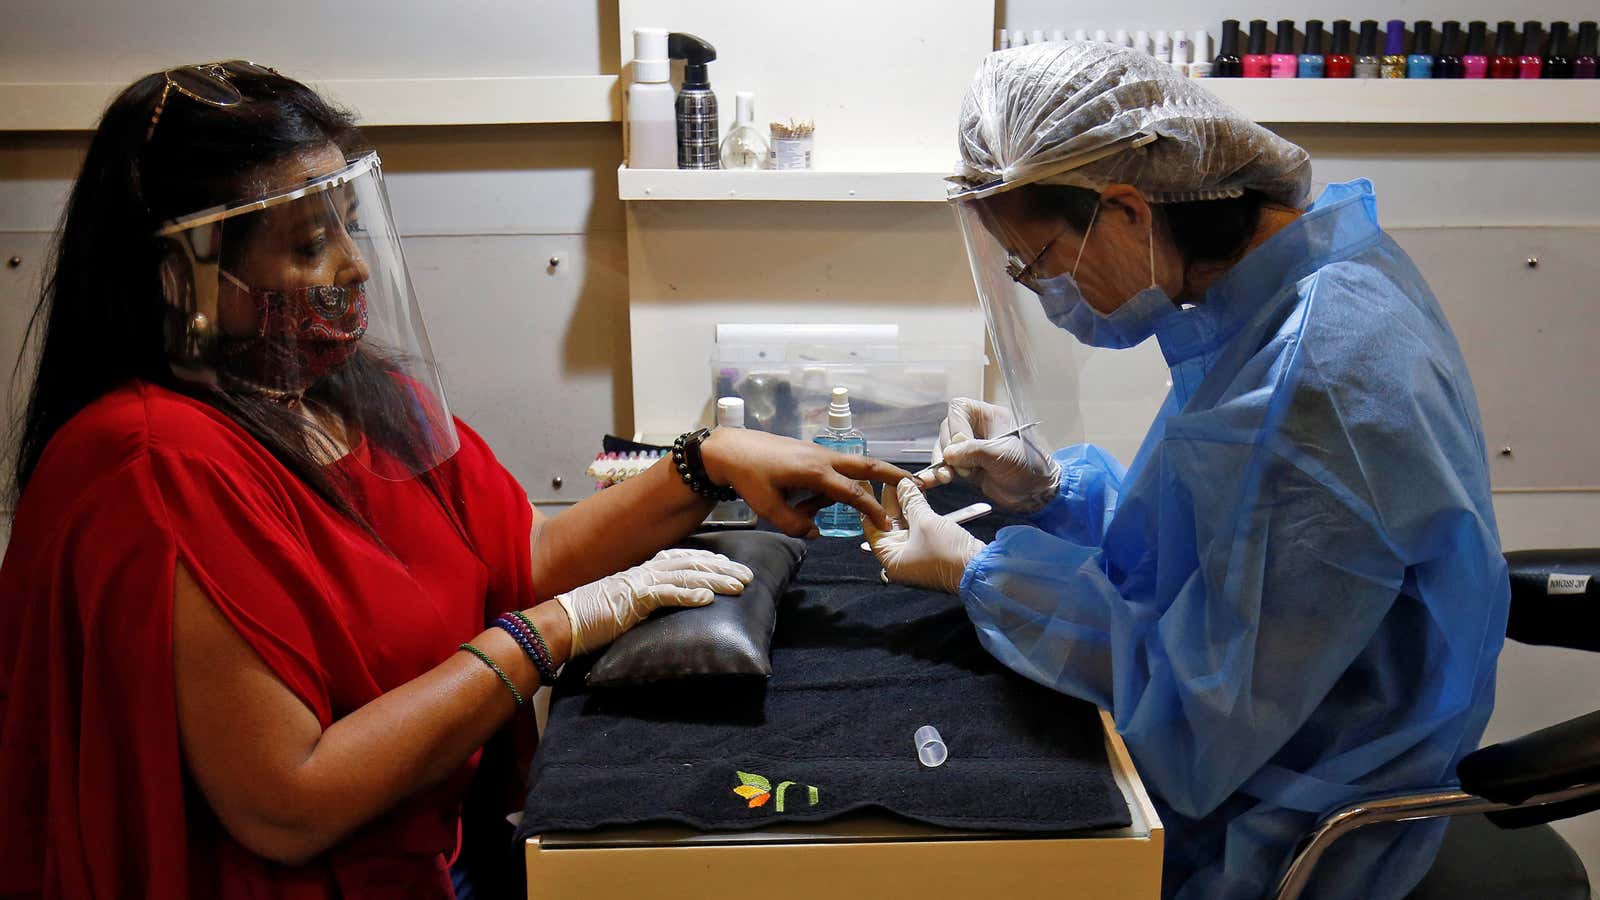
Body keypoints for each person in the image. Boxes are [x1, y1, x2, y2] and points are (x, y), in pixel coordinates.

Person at [0, 62, 906, 899]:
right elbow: (289, 802)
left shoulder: (352, 394)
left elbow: (522, 553)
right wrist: (551, 633)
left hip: (445, 856)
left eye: (349, 226)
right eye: (310, 243)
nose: (353, 267)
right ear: (180, 277)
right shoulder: (151, 471)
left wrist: (704, 462)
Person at [870, 42, 1508, 900]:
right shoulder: (1275, 304)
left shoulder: (1319, 366)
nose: (1045, 293)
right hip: (1270, 749)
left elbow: (1200, 709)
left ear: (1128, 210)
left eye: (1042, 263)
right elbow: (1210, 555)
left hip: (1290, 828)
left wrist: (979, 572)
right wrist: (1053, 494)